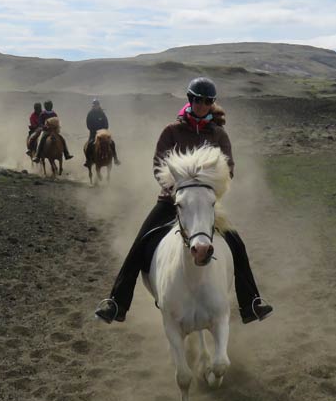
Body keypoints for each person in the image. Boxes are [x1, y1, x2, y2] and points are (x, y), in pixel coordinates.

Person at [95, 77, 272, 324]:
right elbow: (159, 166)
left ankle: (251, 303)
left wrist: (209, 190)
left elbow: (228, 169)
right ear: (190, 100)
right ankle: (117, 302)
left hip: (206, 204)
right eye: (198, 100)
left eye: (207, 101)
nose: (202, 105)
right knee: (139, 244)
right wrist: (178, 191)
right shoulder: (171, 132)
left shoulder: (219, 135)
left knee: (237, 245)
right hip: (172, 201)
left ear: (212, 103)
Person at [83, 98, 119, 167]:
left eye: (96, 105)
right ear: (92, 106)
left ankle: (115, 159)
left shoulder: (102, 113)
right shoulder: (90, 114)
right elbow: (88, 124)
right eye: (94, 105)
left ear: (99, 105)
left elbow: (106, 124)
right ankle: (88, 160)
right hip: (94, 133)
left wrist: (103, 130)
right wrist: (94, 131)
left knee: (112, 143)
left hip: (103, 134)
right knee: (89, 144)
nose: (95, 106)